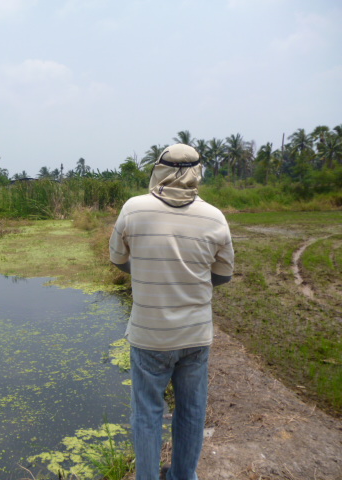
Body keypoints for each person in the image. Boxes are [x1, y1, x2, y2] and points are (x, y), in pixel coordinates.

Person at [109, 143, 235, 480]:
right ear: (198, 173)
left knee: (147, 413)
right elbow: (222, 275)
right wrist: (189, 281)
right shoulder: (215, 217)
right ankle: (183, 476)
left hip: (149, 336)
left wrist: (149, 275)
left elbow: (118, 260)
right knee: (192, 411)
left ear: (159, 169)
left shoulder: (133, 210)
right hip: (195, 335)